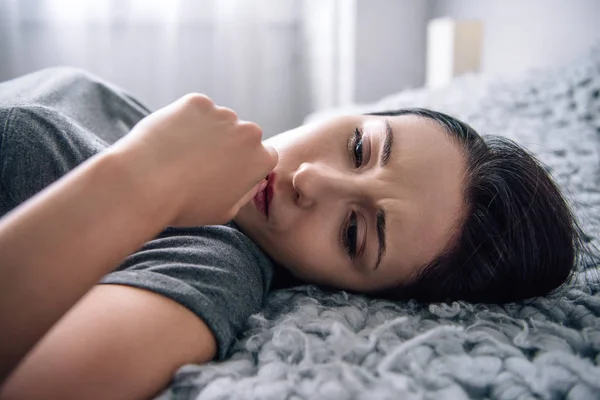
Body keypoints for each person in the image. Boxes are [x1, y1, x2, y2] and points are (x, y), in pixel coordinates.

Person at [0, 67, 592, 399]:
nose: (310, 180)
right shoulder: (148, 117)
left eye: (354, 234)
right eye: (359, 148)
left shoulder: (213, 263)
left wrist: (146, 175)